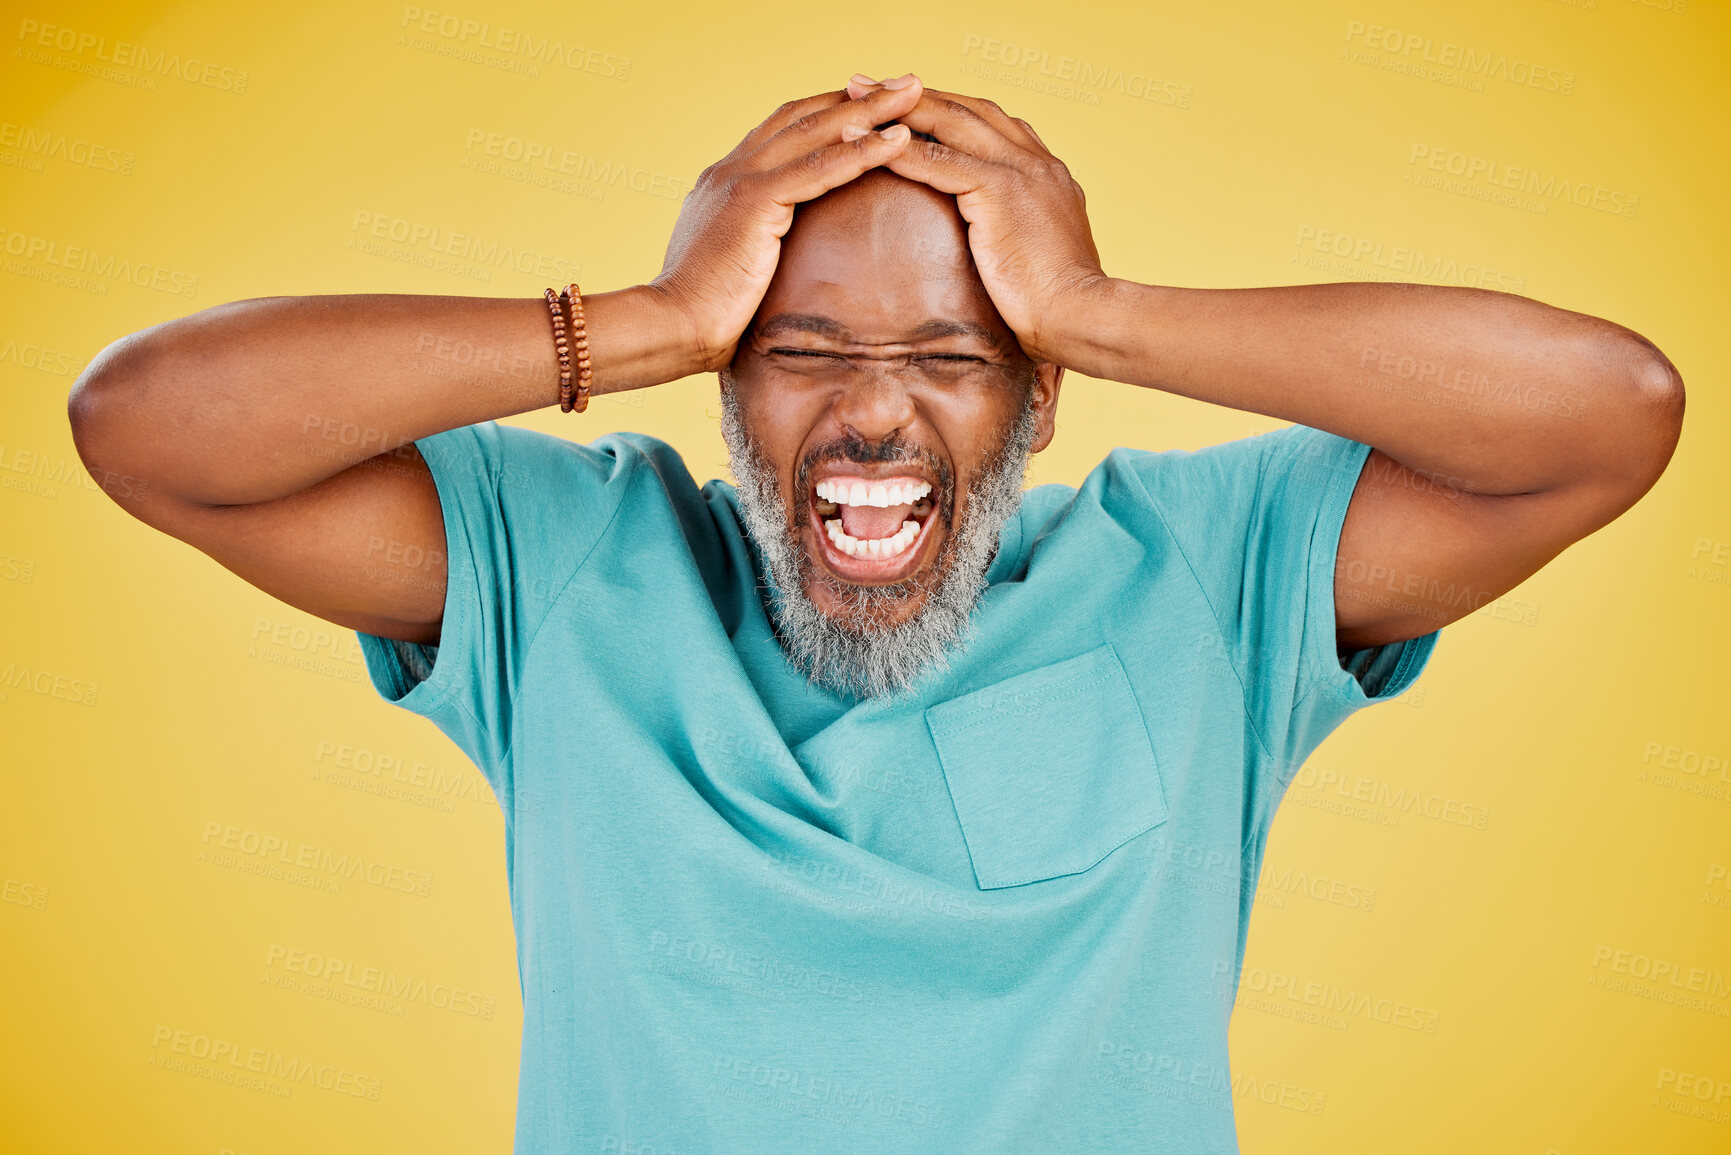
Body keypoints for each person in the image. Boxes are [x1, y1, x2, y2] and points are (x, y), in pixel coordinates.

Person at [68, 71, 1682, 1153]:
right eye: (802, 351)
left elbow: (1608, 410)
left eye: (954, 357)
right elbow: (147, 425)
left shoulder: (1203, 576)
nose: (874, 416)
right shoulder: (571, 566)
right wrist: (638, 319)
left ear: (1045, 398)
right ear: (719, 380)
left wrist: (1101, 313)